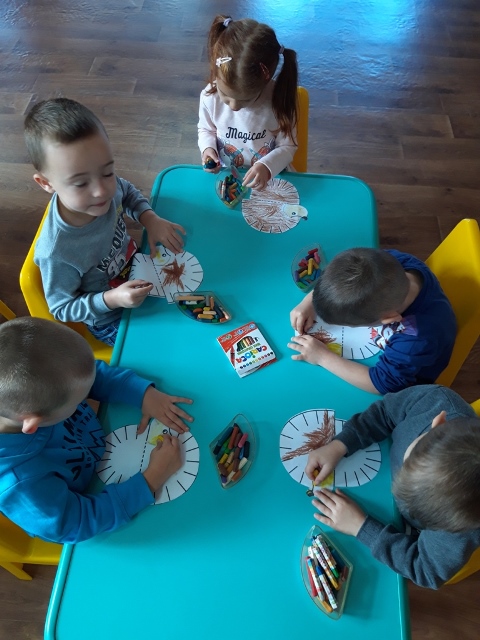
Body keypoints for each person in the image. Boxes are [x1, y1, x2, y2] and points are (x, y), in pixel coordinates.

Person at [0, 317, 194, 544]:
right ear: (34, 423)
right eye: (79, 401)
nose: (86, 396)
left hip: (104, 453)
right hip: (99, 514)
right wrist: (153, 478)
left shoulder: (41, 391)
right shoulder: (19, 484)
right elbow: (77, 523)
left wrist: (141, 394)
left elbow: (90, 376)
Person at [24, 98, 186, 346]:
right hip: (111, 318)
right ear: (46, 183)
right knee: (169, 346)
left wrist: (149, 218)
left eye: (108, 172)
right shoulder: (56, 252)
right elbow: (62, 308)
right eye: (81, 183)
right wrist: (112, 299)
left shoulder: (103, 186)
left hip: (141, 270)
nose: (102, 190)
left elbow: (126, 191)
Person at [305, 384, 480, 588]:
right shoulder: (433, 401)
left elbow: (426, 570)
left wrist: (361, 527)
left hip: (403, 535)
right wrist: (340, 444)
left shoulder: (464, 527)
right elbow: (385, 412)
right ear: (438, 423)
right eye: (407, 463)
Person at [289, 248, 456, 394]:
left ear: (388, 319)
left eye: (352, 325)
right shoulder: (388, 264)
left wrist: (322, 357)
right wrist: (310, 301)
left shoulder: (416, 338)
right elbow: (348, 278)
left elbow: (384, 383)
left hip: (411, 380)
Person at [198, 15, 299, 191]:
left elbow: (288, 146)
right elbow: (206, 129)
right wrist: (208, 149)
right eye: (225, 94)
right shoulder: (210, 96)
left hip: (271, 177)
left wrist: (266, 166)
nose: (233, 106)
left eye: (245, 100)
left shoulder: (279, 101)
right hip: (227, 174)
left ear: (264, 83)